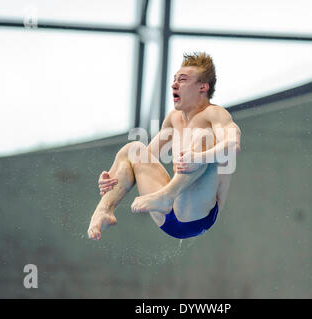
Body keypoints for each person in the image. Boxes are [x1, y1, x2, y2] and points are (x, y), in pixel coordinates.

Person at [87, 52, 241, 240]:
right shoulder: (173, 119)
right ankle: (104, 211)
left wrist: (199, 158)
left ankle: (167, 195)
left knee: (205, 137)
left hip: (197, 216)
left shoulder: (215, 114)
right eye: (174, 80)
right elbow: (143, 161)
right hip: (168, 217)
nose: (174, 84)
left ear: (203, 87)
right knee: (133, 150)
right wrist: (113, 180)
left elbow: (233, 145)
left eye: (182, 80)